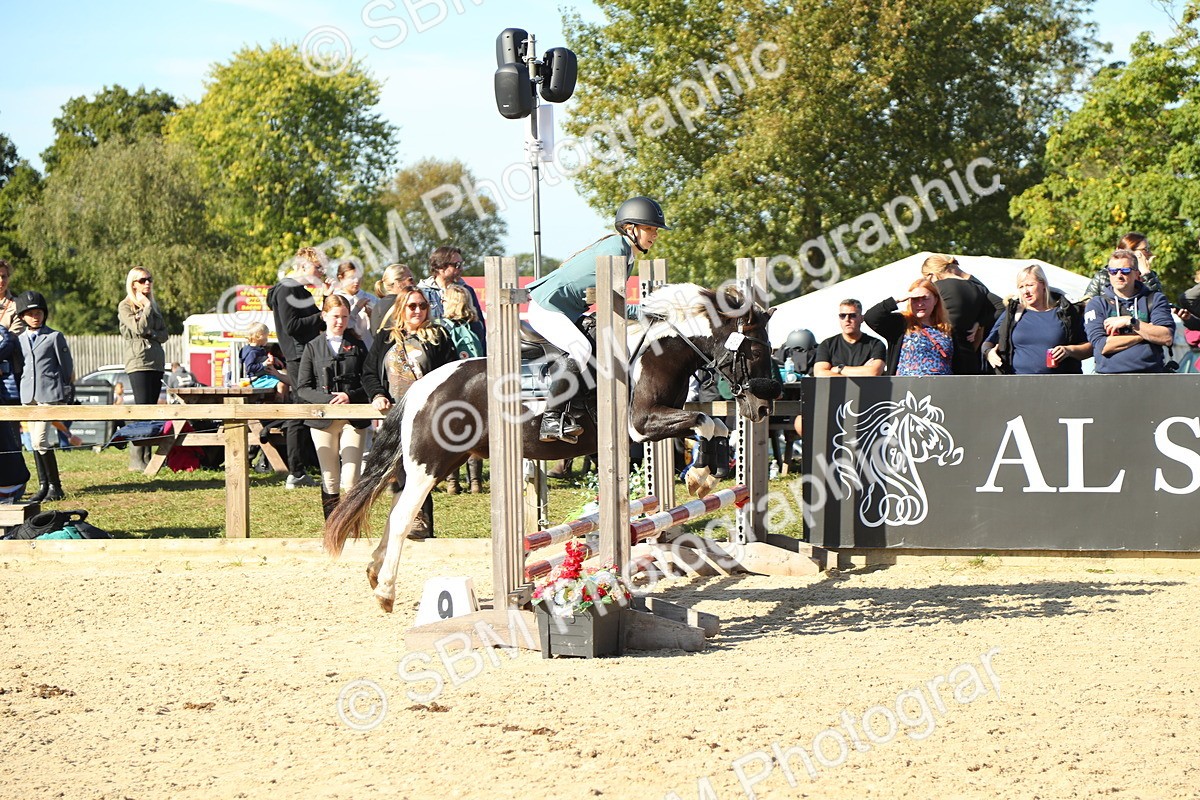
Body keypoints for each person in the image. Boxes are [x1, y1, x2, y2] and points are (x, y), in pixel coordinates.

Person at [526, 196, 670, 442]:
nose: (654, 235)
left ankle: (578, 406)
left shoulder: (626, 253)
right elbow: (610, 301)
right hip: (547, 308)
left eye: (655, 230)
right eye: (649, 228)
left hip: (567, 310)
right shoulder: (616, 250)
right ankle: (551, 418)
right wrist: (643, 312)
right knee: (580, 349)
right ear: (630, 228)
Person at [362, 287, 455, 538]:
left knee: (421, 472)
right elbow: (369, 372)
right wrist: (378, 394)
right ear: (401, 308)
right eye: (412, 306)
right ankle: (403, 527)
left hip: (426, 415)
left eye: (423, 306)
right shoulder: (385, 338)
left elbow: (452, 373)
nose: (418, 311)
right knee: (399, 471)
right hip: (395, 413)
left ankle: (422, 525)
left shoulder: (438, 336)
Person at [296, 296, 371, 521]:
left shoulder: (358, 346)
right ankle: (332, 526)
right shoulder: (313, 347)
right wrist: (328, 399)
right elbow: (302, 387)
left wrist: (349, 395)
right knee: (330, 476)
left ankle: (350, 523)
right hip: (323, 420)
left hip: (353, 419)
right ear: (325, 316)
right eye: (336, 316)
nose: (340, 321)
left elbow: (368, 380)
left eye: (345, 317)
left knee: (350, 478)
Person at [268, 246, 327, 489]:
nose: (321, 272)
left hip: (305, 353)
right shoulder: (287, 289)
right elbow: (292, 326)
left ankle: (300, 468)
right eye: (318, 267)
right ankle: (296, 471)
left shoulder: (300, 291)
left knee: (302, 407)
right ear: (303, 267)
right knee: (299, 409)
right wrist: (320, 316)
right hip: (297, 355)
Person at [16, 291, 73, 502]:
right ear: (22, 316)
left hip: (48, 394)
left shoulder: (54, 337)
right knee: (34, 441)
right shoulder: (19, 340)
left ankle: (55, 486)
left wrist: (66, 392)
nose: (35, 316)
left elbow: (66, 366)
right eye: (30, 313)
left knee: (40, 440)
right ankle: (44, 485)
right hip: (28, 395)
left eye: (38, 312)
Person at [982, 265, 1091, 374]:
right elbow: (987, 343)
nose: (1025, 291)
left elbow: (1090, 347)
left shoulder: (1066, 313)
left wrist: (1069, 351)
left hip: (1059, 384)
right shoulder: (1012, 313)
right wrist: (989, 353)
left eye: (1030, 285)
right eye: (1021, 287)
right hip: (1016, 384)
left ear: (1043, 284)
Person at [1084, 249, 1175, 374]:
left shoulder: (1154, 298)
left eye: (1125, 271)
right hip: (1108, 378)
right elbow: (1103, 346)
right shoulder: (1097, 304)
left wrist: (1131, 322)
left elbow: (1166, 337)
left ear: (1137, 273)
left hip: (1152, 376)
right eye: (1113, 271)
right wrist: (1146, 333)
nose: (1119, 275)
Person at [118, 266, 170, 470]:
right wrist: (146, 308)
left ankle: (148, 457)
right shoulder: (125, 306)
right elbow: (138, 328)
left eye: (150, 279)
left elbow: (164, 334)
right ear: (133, 284)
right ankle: (136, 458)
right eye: (142, 280)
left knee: (151, 409)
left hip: (156, 361)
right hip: (138, 361)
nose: (147, 283)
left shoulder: (154, 305)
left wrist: (152, 334)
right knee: (141, 409)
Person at [438, 283, 485, 494]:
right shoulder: (477, 326)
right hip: (479, 382)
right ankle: (474, 482)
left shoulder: (443, 327)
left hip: (455, 384)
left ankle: (453, 482)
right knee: (475, 429)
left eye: (445, 299)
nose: (442, 302)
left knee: (453, 430)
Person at [920, 255, 995, 375]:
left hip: (942, 356)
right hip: (970, 356)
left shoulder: (935, 289)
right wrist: (979, 323)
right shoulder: (979, 289)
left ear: (931, 275)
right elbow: (1000, 307)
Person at [864, 278, 954, 376]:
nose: (920, 303)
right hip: (906, 387)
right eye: (915, 299)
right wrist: (897, 300)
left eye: (925, 298)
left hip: (941, 386)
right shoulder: (901, 323)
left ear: (935, 300)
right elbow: (871, 317)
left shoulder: (946, 327)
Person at [417, 247, 486, 343]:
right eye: (457, 265)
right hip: (435, 350)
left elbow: (478, 325)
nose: (461, 268)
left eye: (462, 264)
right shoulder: (422, 293)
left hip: (464, 351)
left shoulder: (467, 290)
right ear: (440, 267)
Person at [813, 300, 886, 377]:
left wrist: (839, 369)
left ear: (861, 318)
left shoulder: (876, 344)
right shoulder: (827, 344)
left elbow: (873, 372)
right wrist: (862, 372)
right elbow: (819, 374)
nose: (847, 319)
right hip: (838, 389)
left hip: (867, 389)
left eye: (852, 315)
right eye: (842, 315)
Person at [1082, 232, 1163, 300]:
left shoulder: (1149, 276)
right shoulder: (1102, 276)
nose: (1150, 253)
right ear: (1131, 252)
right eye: (1146, 249)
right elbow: (1087, 306)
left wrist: (1146, 275)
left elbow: (1158, 304)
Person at [332, 260, 377, 349]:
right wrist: (355, 309)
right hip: (346, 350)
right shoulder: (334, 299)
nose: (356, 281)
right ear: (341, 278)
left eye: (359, 277)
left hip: (369, 348)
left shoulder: (370, 298)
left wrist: (372, 316)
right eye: (351, 278)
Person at [240, 323, 288, 398]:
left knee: (285, 384)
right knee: (282, 385)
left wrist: (274, 360)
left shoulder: (259, 349)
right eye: (266, 336)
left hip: (264, 377)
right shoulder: (252, 352)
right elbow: (249, 368)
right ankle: (279, 405)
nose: (267, 339)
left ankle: (283, 401)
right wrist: (264, 364)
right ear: (259, 336)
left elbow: (262, 360)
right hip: (256, 380)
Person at [369, 263, 417, 335]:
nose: (414, 283)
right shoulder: (403, 304)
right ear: (398, 283)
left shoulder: (377, 305)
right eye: (410, 280)